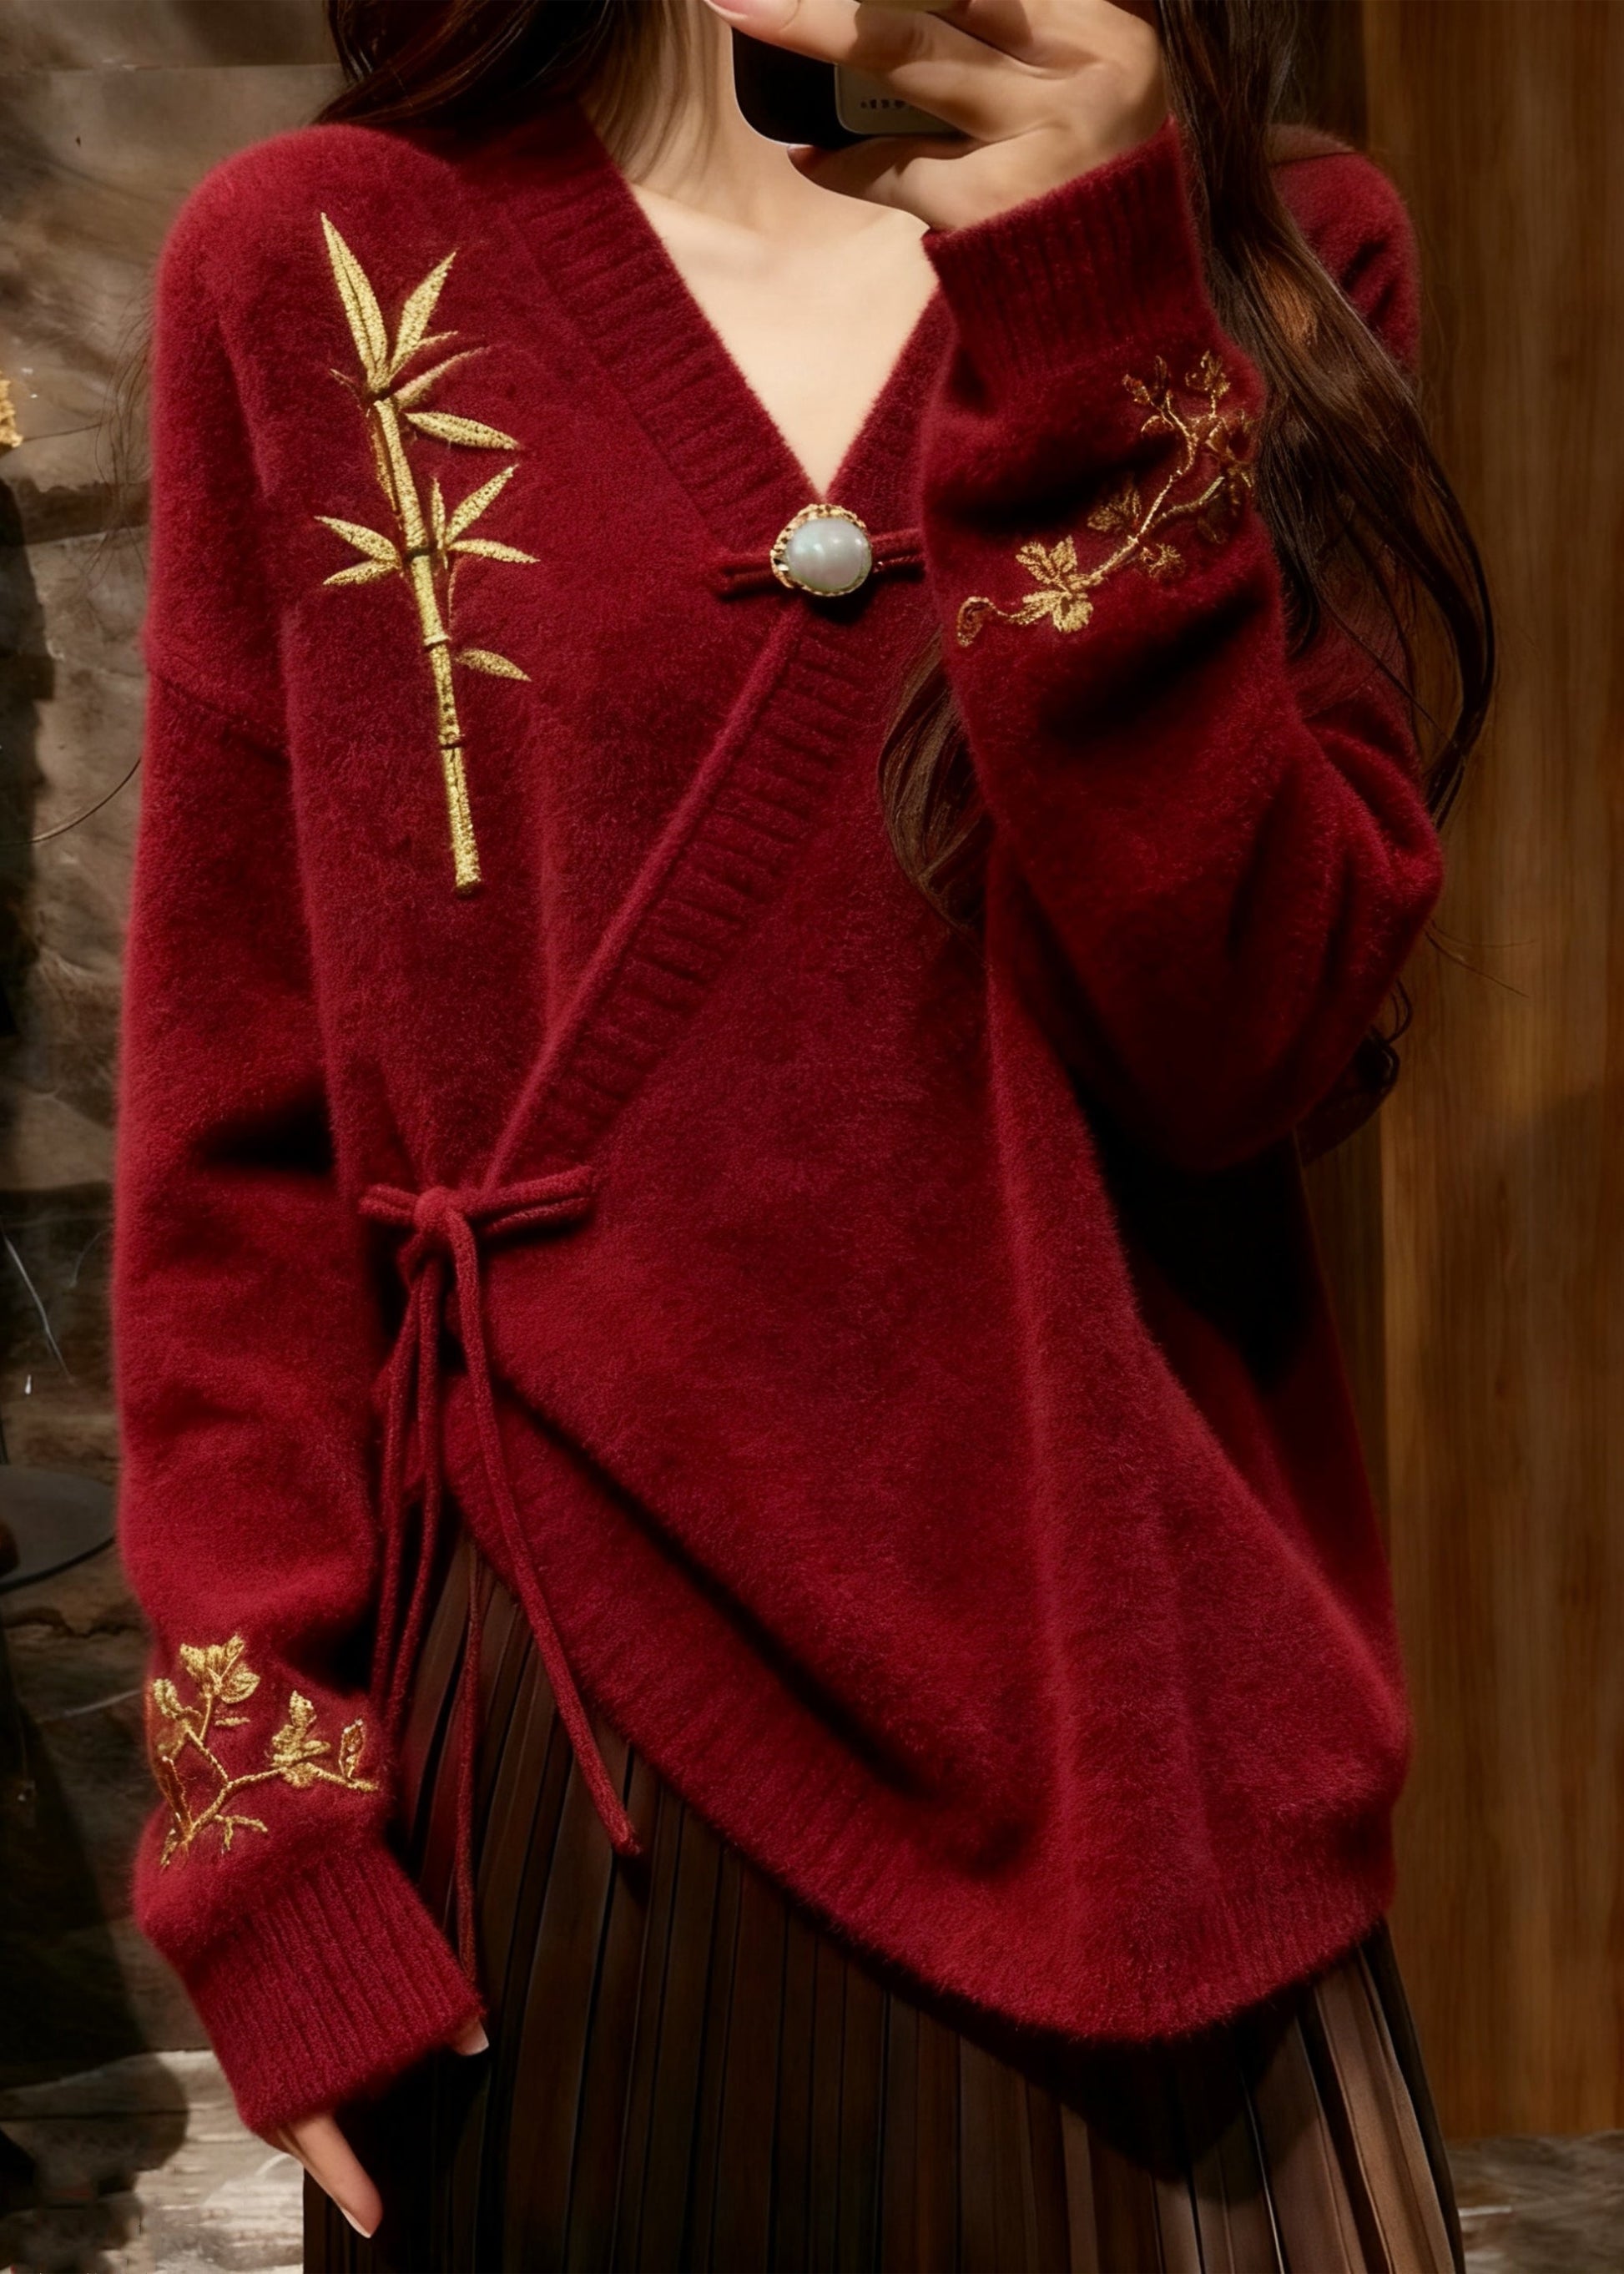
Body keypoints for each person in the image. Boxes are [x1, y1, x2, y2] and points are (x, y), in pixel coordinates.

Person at [112, 0, 1493, 2264]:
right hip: (569, 1754)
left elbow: (1245, 1037)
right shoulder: (324, 260)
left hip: (1137, 1744)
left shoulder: (1263, 245)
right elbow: (236, 1153)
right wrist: (258, 1843)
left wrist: (1086, 301)